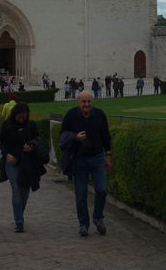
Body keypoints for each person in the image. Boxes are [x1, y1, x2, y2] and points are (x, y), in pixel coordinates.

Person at [60, 91, 112, 238]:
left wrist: (108, 156)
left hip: (97, 158)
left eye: (89, 101)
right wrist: (75, 137)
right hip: (80, 159)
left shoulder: (100, 115)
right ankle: (83, 224)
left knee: (102, 190)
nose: (87, 104)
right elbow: (62, 135)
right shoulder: (71, 115)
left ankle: (98, 217)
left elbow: (106, 136)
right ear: (78, 102)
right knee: (81, 194)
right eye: (84, 102)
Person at [0, 103, 45, 232]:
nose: (22, 120)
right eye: (19, 117)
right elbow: (1, 141)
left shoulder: (31, 125)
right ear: (14, 115)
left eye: (24, 117)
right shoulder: (7, 125)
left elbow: (37, 139)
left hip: (27, 162)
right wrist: (7, 155)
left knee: (25, 191)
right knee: (16, 189)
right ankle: (18, 220)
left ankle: (20, 212)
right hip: (12, 162)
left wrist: (32, 148)